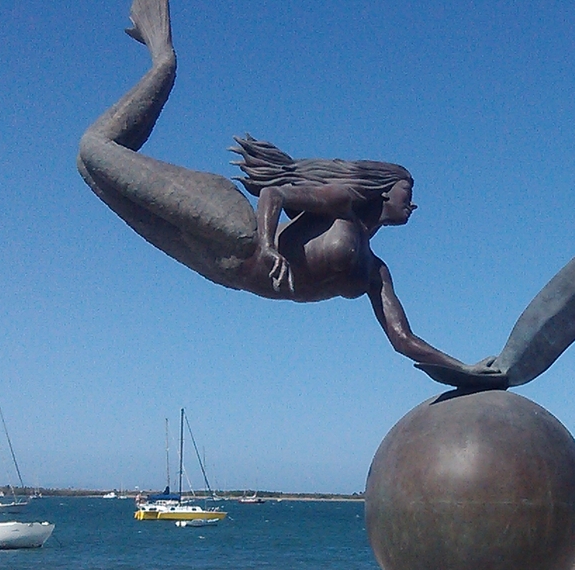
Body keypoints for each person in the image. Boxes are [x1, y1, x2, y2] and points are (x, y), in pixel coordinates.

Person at [78, 0, 499, 378]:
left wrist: (465, 368)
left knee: (92, 171)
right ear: (385, 189)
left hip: (225, 269)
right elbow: (273, 195)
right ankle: (163, 60)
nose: (415, 203)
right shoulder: (344, 203)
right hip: (234, 227)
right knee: (94, 150)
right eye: (409, 190)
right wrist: (266, 244)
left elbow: (404, 339)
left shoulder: (377, 272)